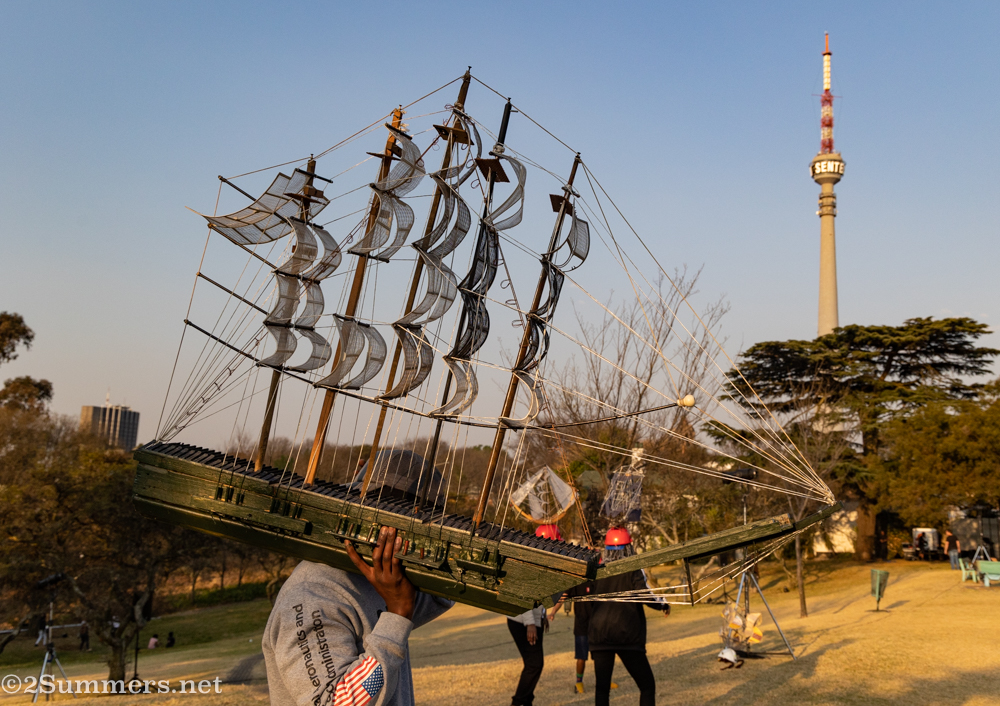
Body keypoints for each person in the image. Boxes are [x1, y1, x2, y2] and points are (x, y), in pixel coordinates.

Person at [262, 450, 453, 706]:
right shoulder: (311, 596)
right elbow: (335, 701)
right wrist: (397, 614)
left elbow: (443, 592)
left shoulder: (381, 575)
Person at [588, 527, 669, 706]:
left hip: (599, 635)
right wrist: (662, 605)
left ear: (607, 548)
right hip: (627, 635)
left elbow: (590, 601)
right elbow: (644, 595)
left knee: (602, 690)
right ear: (628, 547)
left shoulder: (597, 570)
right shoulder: (633, 569)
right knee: (647, 686)